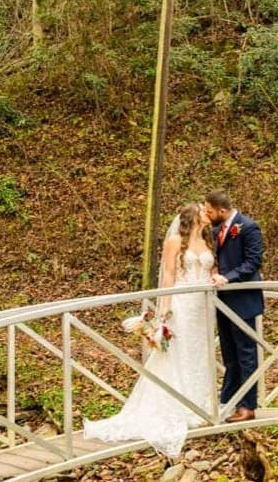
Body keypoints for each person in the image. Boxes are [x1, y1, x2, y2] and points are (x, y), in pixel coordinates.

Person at [83, 202, 216, 458]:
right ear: (191, 217)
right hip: (181, 303)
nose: (206, 213)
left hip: (203, 307)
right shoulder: (175, 241)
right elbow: (168, 276)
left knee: (199, 353)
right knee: (177, 352)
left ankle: (201, 404)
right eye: (202, 210)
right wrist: (163, 310)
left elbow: (213, 270)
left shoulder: (209, 242)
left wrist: (215, 280)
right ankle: (179, 406)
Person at [204, 191, 264, 423]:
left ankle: (248, 406)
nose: (208, 215)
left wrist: (227, 278)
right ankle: (228, 401)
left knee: (246, 354)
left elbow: (253, 262)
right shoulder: (216, 231)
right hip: (223, 302)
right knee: (229, 354)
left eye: (210, 211)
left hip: (243, 300)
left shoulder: (248, 227)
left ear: (222, 210)